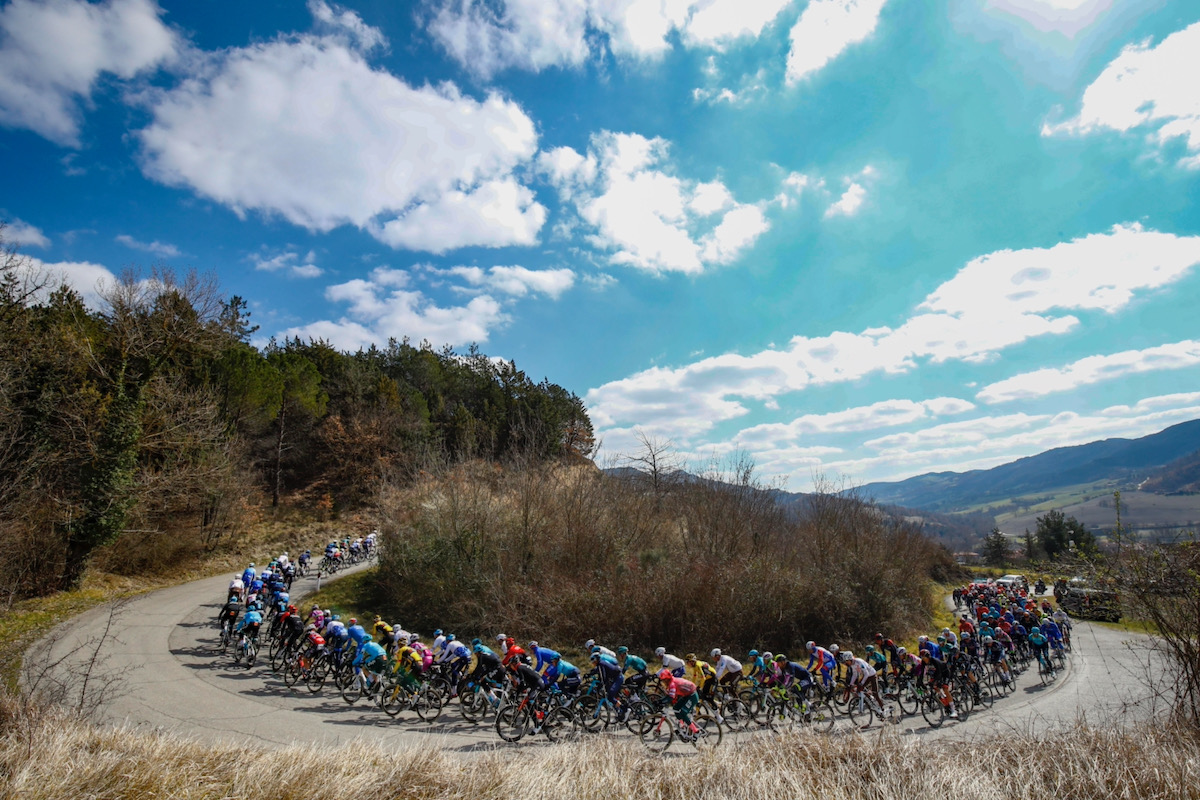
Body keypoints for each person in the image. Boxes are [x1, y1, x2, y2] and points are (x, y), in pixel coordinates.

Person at [657, 669, 700, 733]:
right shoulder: (671, 681)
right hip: (687, 695)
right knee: (676, 708)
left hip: (692, 695)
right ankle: (683, 727)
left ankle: (696, 731)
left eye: (664, 680)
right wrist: (660, 701)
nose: (663, 682)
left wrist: (660, 702)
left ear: (667, 679)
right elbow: (668, 696)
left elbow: (670, 698)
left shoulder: (672, 684)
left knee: (683, 713)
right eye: (662, 680)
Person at [918, 650, 957, 719]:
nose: (924, 659)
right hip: (936, 674)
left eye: (924, 657)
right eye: (922, 658)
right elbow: (921, 673)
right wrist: (920, 681)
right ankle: (944, 700)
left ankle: (953, 710)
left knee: (945, 688)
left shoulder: (934, 661)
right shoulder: (923, 663)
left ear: (928, 656)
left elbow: (939, 672)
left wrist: (935, 682)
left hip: (945, 673)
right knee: (935, 688)